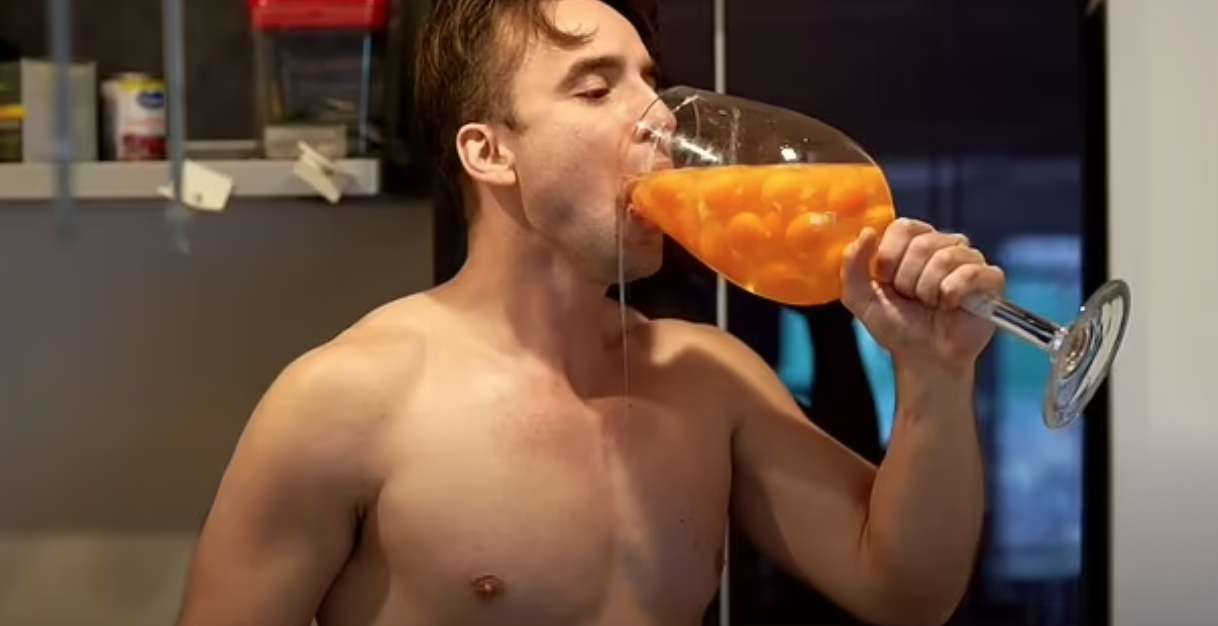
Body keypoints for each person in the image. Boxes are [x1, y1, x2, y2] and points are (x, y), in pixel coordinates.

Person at [174, 1, 1004, 625]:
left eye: (650, 82)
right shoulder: (345, 401)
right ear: (490, 152)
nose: (659, 118)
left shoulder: (709, 378)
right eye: (597, 87)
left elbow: (907, 594)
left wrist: (934, 375)